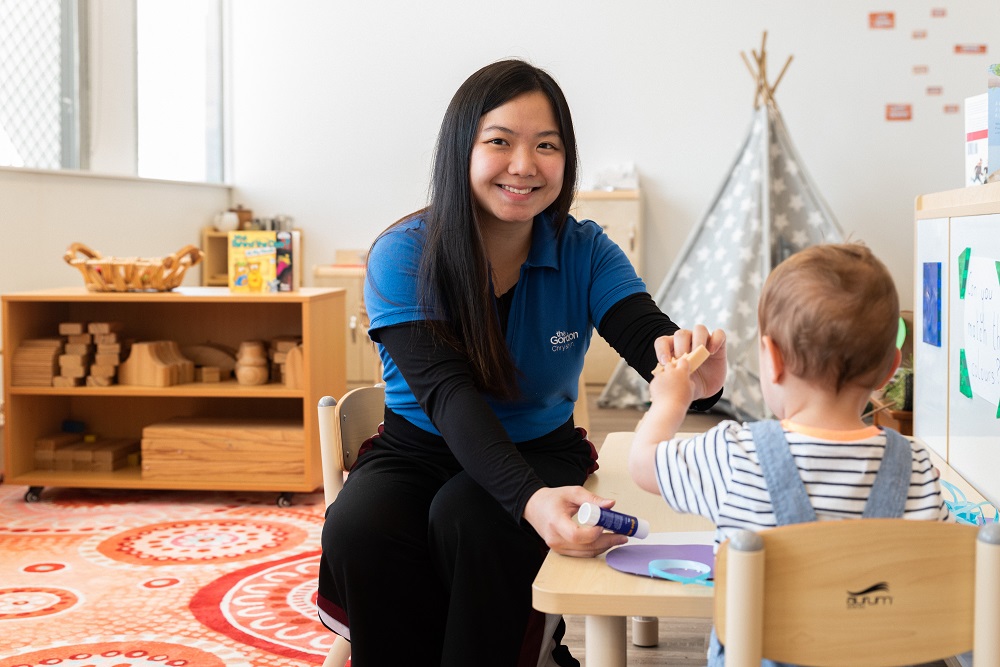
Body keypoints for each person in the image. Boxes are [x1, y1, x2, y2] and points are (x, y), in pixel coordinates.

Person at [316, 58, 726, 667]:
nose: (524, 166)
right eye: (500, 142)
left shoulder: (585, 249)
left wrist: (697, 375)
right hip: (420, 446)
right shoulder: (403, 254)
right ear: (461, 151)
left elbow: (650, 338)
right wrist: (532, 502)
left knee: (473, 519)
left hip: (541, 447)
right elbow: (449, 396)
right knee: (360, 525)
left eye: (547, 146)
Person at [628, 242, 952, 667]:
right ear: (890, 368)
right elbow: (942, 583)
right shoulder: (918, 467)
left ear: (772, 360)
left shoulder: (735, 454)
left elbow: (642, 463)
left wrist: (673, 400)